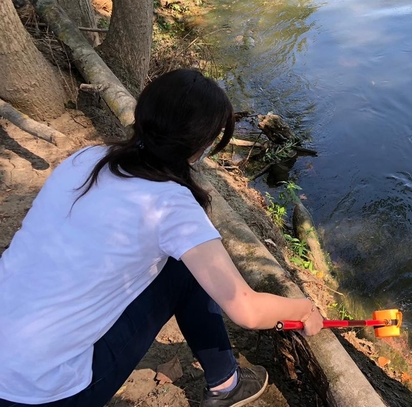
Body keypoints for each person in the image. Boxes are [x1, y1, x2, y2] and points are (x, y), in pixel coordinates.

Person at [0, 69, 324, 407]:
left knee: (182, 261)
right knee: (186, 269)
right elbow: (246, 310)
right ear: (200, 146)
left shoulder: (88, 159)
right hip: (41, 394)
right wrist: (304, 310)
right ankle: (226, 382)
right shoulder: (171, 205)